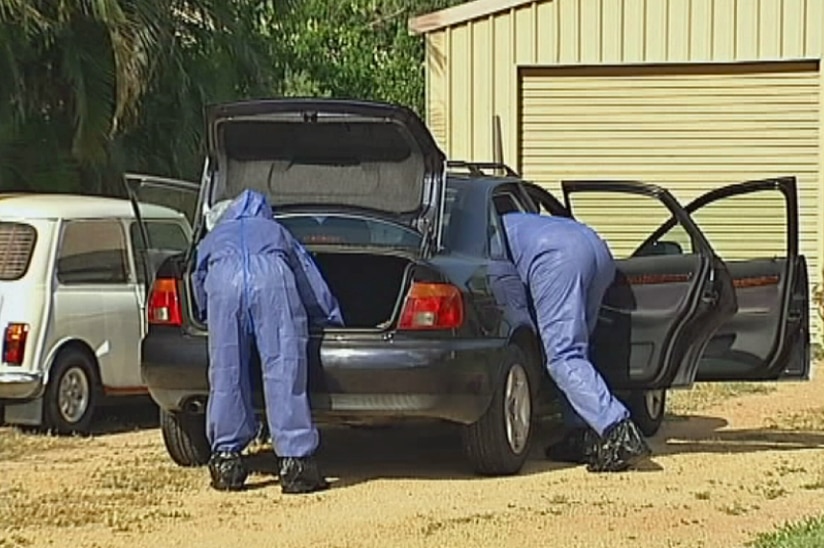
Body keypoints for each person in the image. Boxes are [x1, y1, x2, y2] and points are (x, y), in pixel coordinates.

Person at [192, 189, 344, 494]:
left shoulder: (216, 235)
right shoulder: (276, 231)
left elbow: (197, 276)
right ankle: (295, 464)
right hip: (272, 283)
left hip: (224, 285)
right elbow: (307, 277)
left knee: (226, 373)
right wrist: (330, 315)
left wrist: (204, 312)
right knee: (283, 368)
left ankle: (227, 462)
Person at [501, 212, 651, 472]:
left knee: (563, 357)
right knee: (579, 351)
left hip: (558, 257)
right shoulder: (514, 216)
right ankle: (582, 435)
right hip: (594, 245)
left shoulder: (475, 222)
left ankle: (618, 431)